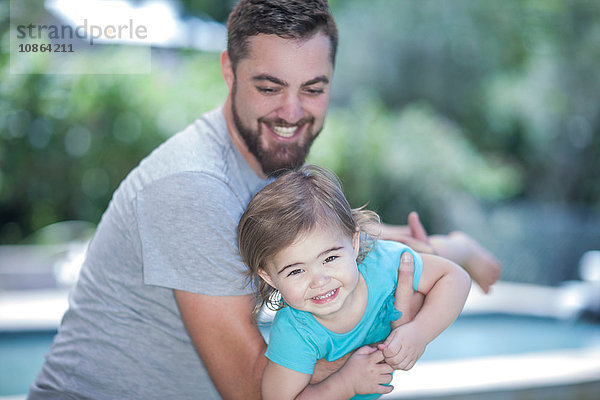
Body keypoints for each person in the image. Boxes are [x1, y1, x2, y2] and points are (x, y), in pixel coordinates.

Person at [29, 1, 499, 399]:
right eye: (269, 87)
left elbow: (356, 240)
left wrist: (454, 255)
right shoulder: (193, 190)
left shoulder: (268, 160)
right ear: (229, 72)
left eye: (313, 89)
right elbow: (256, 391)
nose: (292, 113)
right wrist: (387, 333)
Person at [237, 165, 471, 400]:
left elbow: (455, 277)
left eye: (330, 258)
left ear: (354, 243)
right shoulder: (296, 330)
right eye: (296, 271)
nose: (319, 280)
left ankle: (465, 247)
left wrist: (419, 332)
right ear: (269, 277)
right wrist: (345, 384)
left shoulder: (384, 265)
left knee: (433, 253)